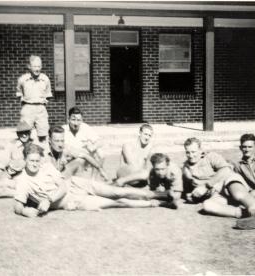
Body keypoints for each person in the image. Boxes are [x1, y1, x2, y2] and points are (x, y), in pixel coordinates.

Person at [13, 144, 171, 218]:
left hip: (75, 185)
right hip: (73, 201)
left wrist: (48, 199)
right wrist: (24, 211)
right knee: (116, 202)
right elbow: (17, 205)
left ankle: (158, 194)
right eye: (31, 161)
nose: (35, 164)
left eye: (36, 160)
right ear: (25, 160)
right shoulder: (23, 181)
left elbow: (62, 186)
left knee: (116, 192)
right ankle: (155, 203)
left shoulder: (46, 166)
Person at [182, 137, 255, 230]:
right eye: (188, 152)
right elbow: (188, 190)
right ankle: (248, 216)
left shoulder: (211, 157)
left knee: (237, 193)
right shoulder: (185, 168)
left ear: (201, 150)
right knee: (207, 205)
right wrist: (191, 197)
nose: (191, 155)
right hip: (216, 194)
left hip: (227, 182)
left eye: (194, 152)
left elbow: (225, 169)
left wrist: (206, 185)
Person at [16, 55, 52, 144]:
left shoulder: (45, 79)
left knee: (43, 134)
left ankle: (43, 155)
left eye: (39, 66)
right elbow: (19, 92)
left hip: (41, 108)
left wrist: (43, 103)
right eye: (35, 66)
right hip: (28, 107)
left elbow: (48, 94)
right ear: (29, 67)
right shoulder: (23, 79)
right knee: (24, 134)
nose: (37, 69)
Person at [62, 107, 104, 178]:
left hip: (84, 155)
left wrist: (92, 147)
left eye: (79, 120)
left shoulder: (85, 127)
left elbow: (100, 141)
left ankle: (93, 180)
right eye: (73, 120)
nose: (76, 123)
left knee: (101, 153)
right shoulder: (63, 129)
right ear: (68, 119)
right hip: (70, 157)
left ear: (82, 120)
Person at [233, 134, 255, 199]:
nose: (247, 149)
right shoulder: (238, 166)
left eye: (250, 147)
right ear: (240, 148)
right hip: (254, 197)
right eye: (244, 147)